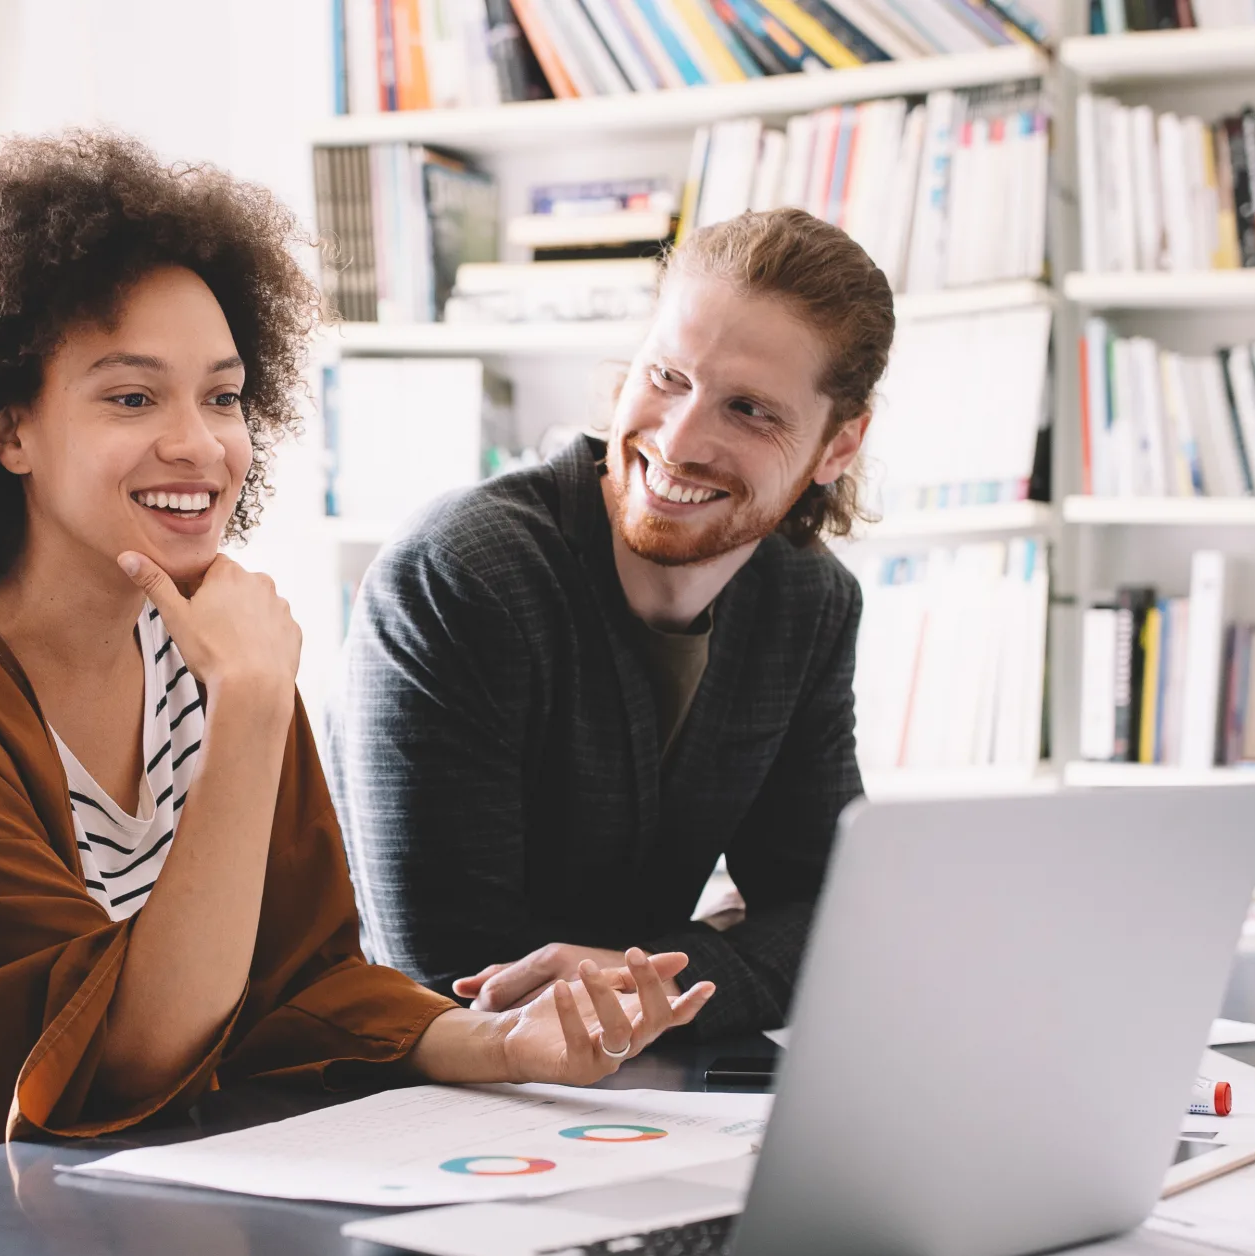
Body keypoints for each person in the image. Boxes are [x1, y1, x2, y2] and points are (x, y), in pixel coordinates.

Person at [0, 131, 712, 1187]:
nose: (201, 446)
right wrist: (249, 708)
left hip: (159, 1210)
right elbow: (105, 1077)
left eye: (221, 396)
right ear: (8, 429)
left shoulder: (212, 660)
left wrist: (498, 1040)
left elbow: (297, 985)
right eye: (131, 397)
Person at [330, 208, 891, 1043]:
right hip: (404, 1105)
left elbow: (835, 920)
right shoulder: (458, 576)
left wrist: (642, 986)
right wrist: (715, 959)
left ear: (838, 446)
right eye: (667, 376)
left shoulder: (808, 605)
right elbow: (453, 982)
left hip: (640, 1091)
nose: (679, 441)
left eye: (749, 410)